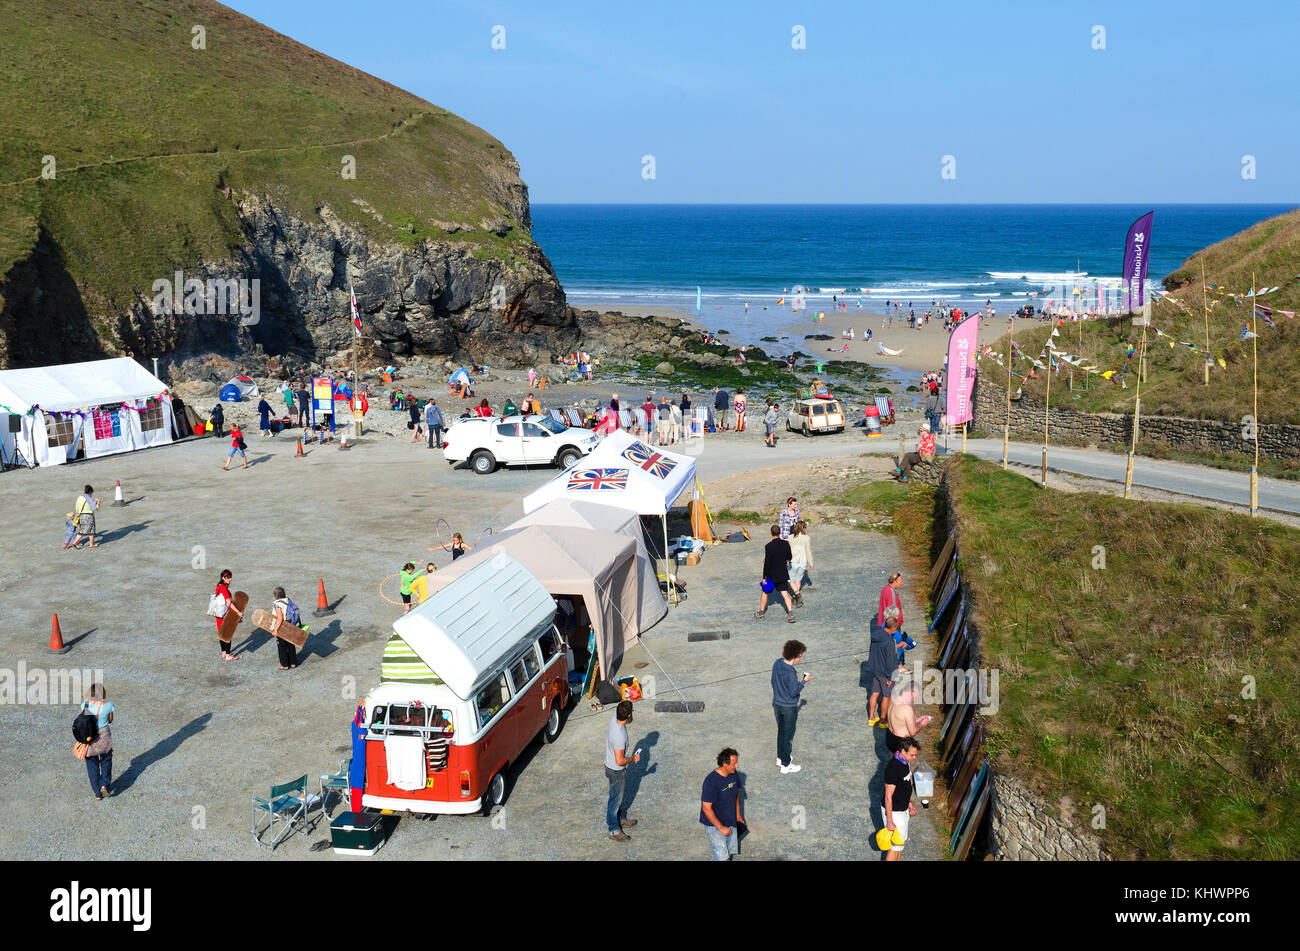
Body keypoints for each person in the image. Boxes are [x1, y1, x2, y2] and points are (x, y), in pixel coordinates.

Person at [700, 748, 745, 860]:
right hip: (715, 824)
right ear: (725, 764)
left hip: (730, 820)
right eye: (734, 763)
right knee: (722, 857)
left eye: (737, 763)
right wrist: (720, 827)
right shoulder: (711, 782)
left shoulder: (733, 774)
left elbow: (736, 793)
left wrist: (738, 814)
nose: (736, 766)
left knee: (728, 852)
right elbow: (706, 808)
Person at [605, 700, 640, 841]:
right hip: (616, 770)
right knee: (615, 800)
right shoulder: (619, 735)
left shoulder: (614, 719)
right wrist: (633, 759)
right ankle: (613, 830)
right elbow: (619, 760)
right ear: (629, 715)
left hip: (611, 766)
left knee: (618, 796)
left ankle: (622, 818)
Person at [772, 641, 810, 773]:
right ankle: (786, 765)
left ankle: (780, 757)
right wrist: (804, 681)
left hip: (777, 704)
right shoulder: (791, 672)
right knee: (787, 735)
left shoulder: (777, 663)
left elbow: (773, 681)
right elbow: (794, 691)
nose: (801, 658)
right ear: (794, 655)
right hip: (788, 708)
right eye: (800, 655)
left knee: (781, 731)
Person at [882, 736, 921, 860]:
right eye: (912, 755)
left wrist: (909, 803)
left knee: (899, 846)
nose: (914, 758)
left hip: (902, 809)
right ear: (903, 751)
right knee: (895, 847)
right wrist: (889, 821)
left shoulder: (904, 762)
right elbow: (888, 796)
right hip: (894, 812)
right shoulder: (894, 768)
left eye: (915, 755)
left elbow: (904, 786)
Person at [80, 683, 115, 800]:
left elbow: (82, 720)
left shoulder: (85, 705)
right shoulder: (108, 705)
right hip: (104, 735)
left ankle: (97, 793)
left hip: (90, 737)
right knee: (106, 760)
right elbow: (110, 720)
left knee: (92, 764)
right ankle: (104, 784)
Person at [757, 524, 795, 622]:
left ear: (771, 533)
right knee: (785, 594)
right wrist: (787, 561)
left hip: (771, 575)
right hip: (782, 573)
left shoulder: (768, 546)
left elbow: (767, 564)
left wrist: (764, 577)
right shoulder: (785, 544)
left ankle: (761, 613)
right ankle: (790, 614)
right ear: (780, 533)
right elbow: (790, 557)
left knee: (765, 593)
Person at [885, 677, 933, 754]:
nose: (914, 700)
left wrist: (918, 719)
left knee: (893, 761)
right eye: (915, 697)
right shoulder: (907, 709)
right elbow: (912, 732)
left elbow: (900, 719)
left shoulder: (893, 699)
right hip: (900, 742)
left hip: (889, 736)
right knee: (902, 765)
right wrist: (921, 724)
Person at [868, 616, 900, 727]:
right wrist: (890, 678)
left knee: (875, 693)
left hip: (875, 670)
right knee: (886, 696)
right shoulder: (889, 642)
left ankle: (871, 718)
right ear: (894, 628)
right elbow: (890, 662)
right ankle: (883, 720)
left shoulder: (876, 634)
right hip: (884, 674)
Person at [269, 586, 306, 669]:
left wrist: (275, 630)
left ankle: (285, 664)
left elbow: (280, 618)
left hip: (283, 625)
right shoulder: (289, 599)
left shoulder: (277, 604)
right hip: (291, 624)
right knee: (290, 643)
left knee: (282, 646)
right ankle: (293, 663)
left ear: (275, 595)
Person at [214, 569, 243, 661]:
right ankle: (228, 655)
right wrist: (238, 612)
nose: (229, 579)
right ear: (223, 578)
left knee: (222, 634)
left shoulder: (218, 586)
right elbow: (228, 602)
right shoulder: (223, 588)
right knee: (228, 634)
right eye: (227, 577)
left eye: (230, 577)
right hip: (224, 614)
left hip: (219, 614)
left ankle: (223, 652)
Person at [788, 521, 813, 603]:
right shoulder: (807, 538)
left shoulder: (790, 537)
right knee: (798, 580)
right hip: (803, 562)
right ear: (803, 528)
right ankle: (796, 599)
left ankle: (798, 595)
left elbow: (787, 550)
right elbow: (808, 551)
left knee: (791, 580)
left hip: (793, 561)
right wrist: (811, 563)